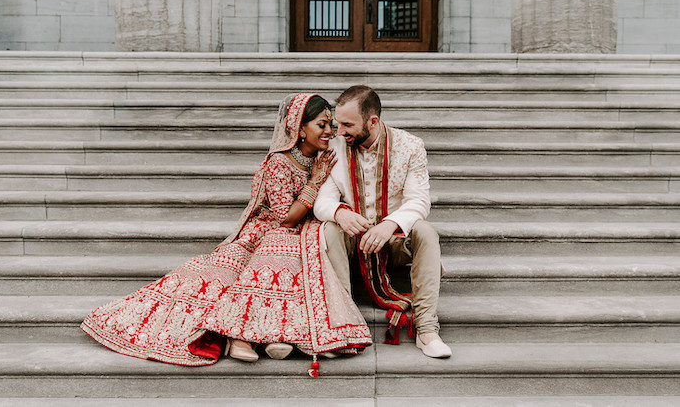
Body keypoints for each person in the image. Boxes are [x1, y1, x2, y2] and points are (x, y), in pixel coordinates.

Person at [81, 93, 372, 368]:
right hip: (271, 228)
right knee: (265, 254)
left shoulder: (326, 157)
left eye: (330, 125)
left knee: (296, 251)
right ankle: (240, 334)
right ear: (298, 127)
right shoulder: (279, 163)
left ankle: (274, 334)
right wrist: (315, 181)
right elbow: (284, 218)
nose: (329, 132)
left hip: (304, 229)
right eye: (321, 125)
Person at [313, 85, 452, 358]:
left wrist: (389, 224)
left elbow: (419, 201)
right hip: (355, 242)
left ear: (372, 121)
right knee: (329, 228)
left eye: (347, 124)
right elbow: (322, 202)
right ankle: (343, 326)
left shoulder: (410, 146)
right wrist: (340, 213)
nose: (338, 131)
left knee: (425, 230)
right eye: (336, 123)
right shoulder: (334, 148)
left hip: (395, 241)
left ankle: (426, 329)